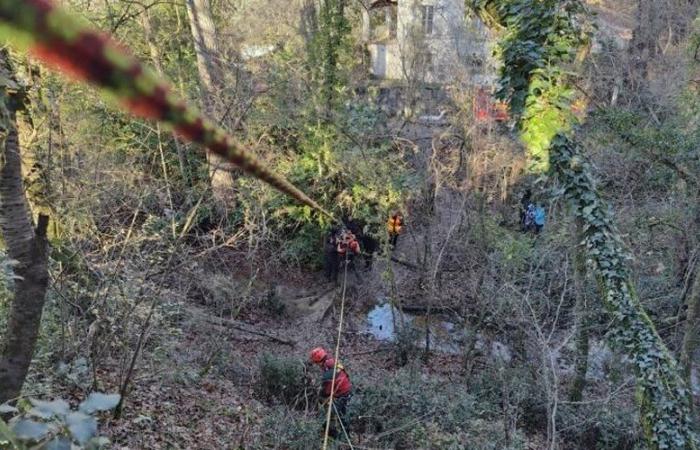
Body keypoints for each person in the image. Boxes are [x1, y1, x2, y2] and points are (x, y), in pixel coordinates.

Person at [309, 347, 352, 439]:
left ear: (319, 361)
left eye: (316, 363)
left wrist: (323, 393)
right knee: (339, 414)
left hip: (342, 393)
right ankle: (337, 433)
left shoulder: (328, 368)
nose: (317, 365)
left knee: (335, 414)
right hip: (345, 389)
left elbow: (327, 385)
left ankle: (341, 436)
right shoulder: (331, 361)